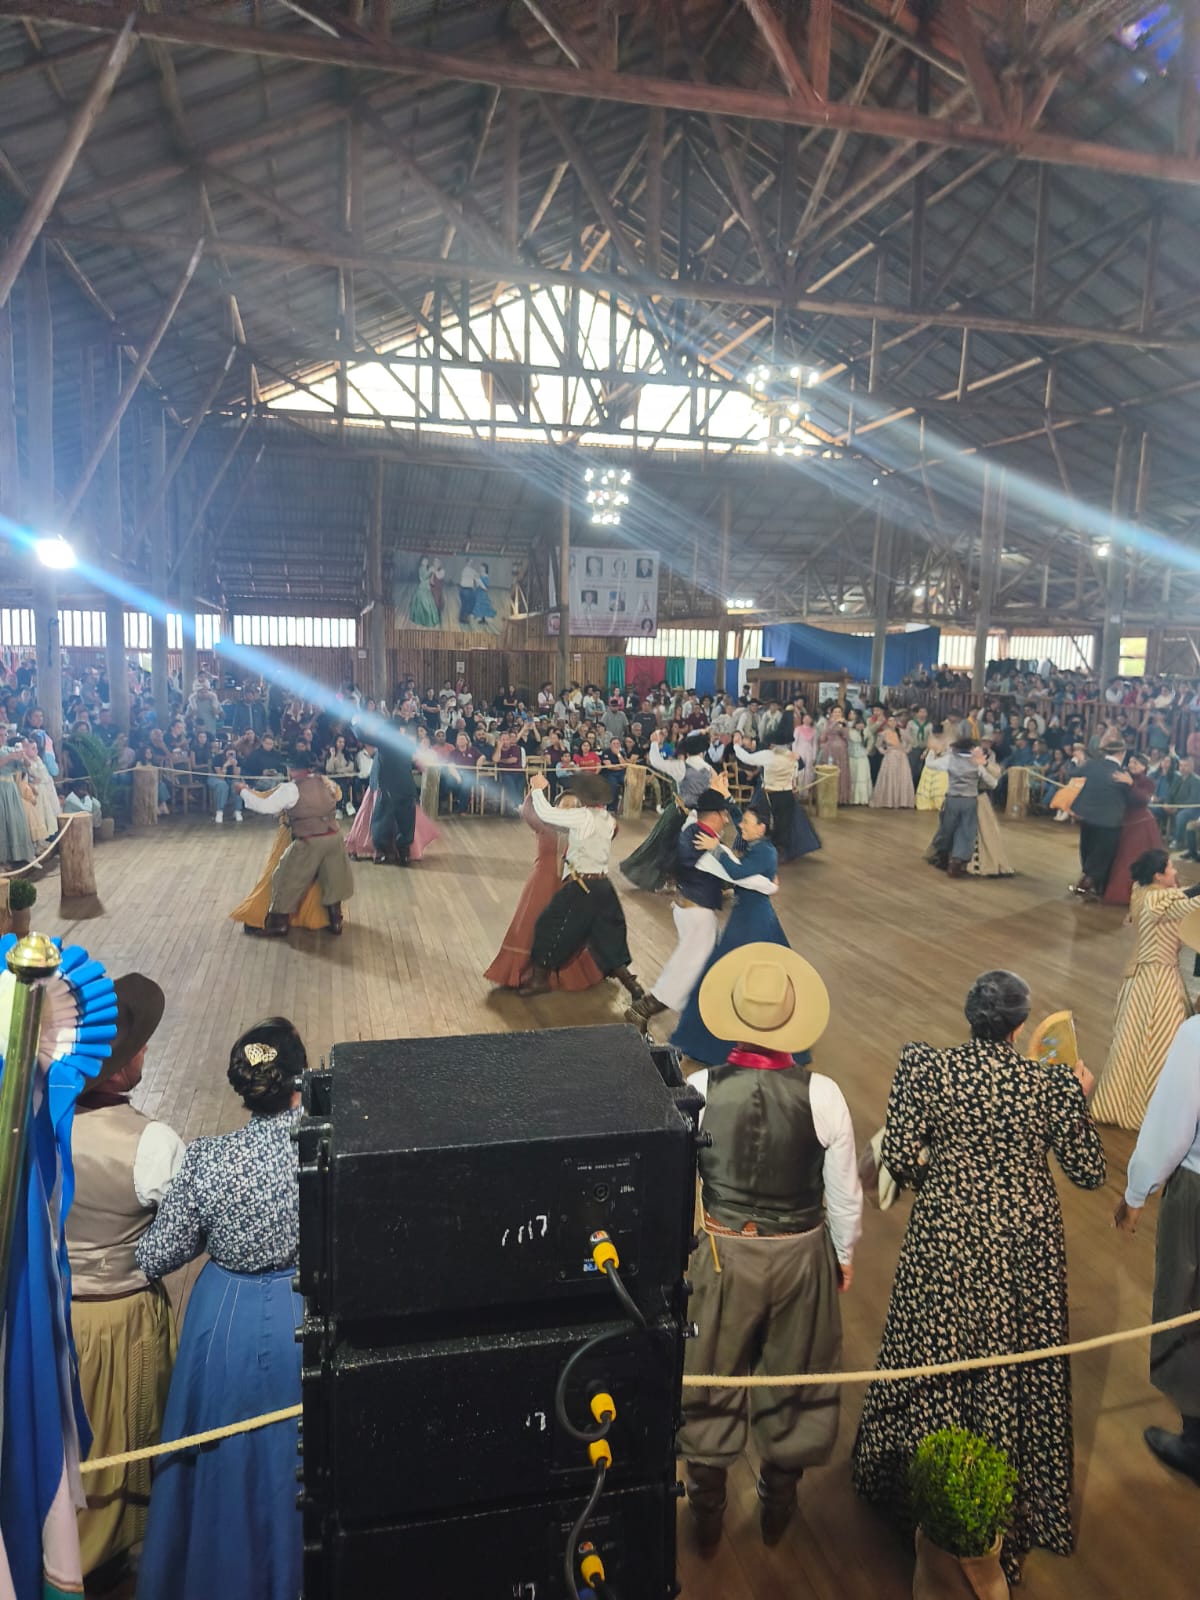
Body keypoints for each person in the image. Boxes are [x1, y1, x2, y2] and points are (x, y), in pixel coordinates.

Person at [851, 971, 1105, 1584]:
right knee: (1013, 1359)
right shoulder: (1049, 1083)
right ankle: (1000, 1507)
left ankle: (917, 1489)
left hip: (945, 1235)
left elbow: (897, 1158)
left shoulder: (926, 1068)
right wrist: (1078, 1096)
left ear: (971, 1018)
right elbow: (1090, 1172)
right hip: (1023, 1246)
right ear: (1021, 1027)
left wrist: (945, 1177)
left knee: (932, 1351)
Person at [679, 945, 860, 1550]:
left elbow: (679, 1185)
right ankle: (778, 1502)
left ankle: (705, 1508)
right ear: (791, 1019)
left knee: (709, 1376)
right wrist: (843, 1255)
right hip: (801, 1255)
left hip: (722, 1255)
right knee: (798, 1376)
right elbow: (845, 1195)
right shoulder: (824, 1095)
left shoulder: (698, 1088)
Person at [135, 1019, 306, 1600]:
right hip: (304, 1316)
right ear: (299, 1081)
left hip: (226, 1322)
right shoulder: (325, 1146)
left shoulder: (210, 1159)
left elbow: (158, 1255)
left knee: (224, 1461)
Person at [66, 975, 184, 1587]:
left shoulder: (36, 1121)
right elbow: (181, 1233)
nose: (143, 1054)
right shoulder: (152, 1144)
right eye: (137, 1048)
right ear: (116, 1071)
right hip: (121, 1320)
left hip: (50, 1312)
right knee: (119, 1445)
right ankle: (103, 1562)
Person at [1115, 1014, 1200, 1485]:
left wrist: (1135, 1194)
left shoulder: (1196, 1035)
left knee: (1184, 1307)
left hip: (1197, 1189)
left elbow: (1171, 1128)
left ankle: (1197, 1443)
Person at [671, 794, 787, 1066]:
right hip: (746, 915)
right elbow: (740, 827)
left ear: (761, 828)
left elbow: (737, 873)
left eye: (747, 823)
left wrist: (717, 848)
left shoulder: (765, 852)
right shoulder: (759, 844)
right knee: (734, 977)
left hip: (752, 921)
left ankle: (715, 1042)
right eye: (742, 821)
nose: (740, 826)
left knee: (728, 977)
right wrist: (729, 800)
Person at [1092, 849, 1200, 1130]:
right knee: (1161, 1043)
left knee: (1133, 1042)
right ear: (1158, 875)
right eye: (1171, 867)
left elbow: (1184, 896)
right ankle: (1150, 1108)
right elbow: (1186, 901)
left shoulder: (1142, 891)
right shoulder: (1157, 900)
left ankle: (1119, 1102)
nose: (1175, 871)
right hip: (1156, 982)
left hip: (1142, 978)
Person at [517, 771, 643, 1001]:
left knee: (548, 926)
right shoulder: (608, 819)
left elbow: (546, 813)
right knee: (606, 935)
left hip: (581, 886)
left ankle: (539, 980)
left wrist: (537, 789)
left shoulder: (583, 817)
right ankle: (633, 986)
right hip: (603, 886)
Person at [625, 781, 734, 1035]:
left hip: (690, 908)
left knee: (705, 967)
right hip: (697, 915)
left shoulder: (694, 829)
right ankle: (642, 1009)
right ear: (715, 815)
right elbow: (733, 868)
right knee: (686, 969)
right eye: (725, 814)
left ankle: (701, 1019)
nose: (727, 820)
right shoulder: (703, 843)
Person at [483, 791, 604, 991]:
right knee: (530, 926)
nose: (569, 810)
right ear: (555, 809)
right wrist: (536, 789)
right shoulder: (544, 825)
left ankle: (557, 975)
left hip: (569, 886)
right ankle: (525, 973)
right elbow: (528, 811)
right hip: (542, 884)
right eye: (565, 806)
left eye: (574, 807)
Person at [233, 756, 354, 936]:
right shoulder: (326, 782)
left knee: (285, 878)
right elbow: (339, 795)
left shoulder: (291, 788)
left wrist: (243, 791)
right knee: (333, 880)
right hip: (334, 837)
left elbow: (266, 807)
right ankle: (336, 922)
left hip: (310, 840)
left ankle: (279, 925)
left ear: (290, 770)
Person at [621, 729, 719, 892]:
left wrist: (654, 743)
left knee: (664, 846)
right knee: (702, 849)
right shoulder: (709, 769)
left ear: (687, 751)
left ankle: (668, 880)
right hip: (702, 816)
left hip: (680, 814)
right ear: (703, 751)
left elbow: (656, 761)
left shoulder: (681, 767)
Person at [734, 713, 821, 864]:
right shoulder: (793, 757)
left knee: (760, 822)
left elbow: (747, 758)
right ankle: (779, 853)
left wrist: (736, 746)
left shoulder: (768, 755)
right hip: (786, 795)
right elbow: (796, 773)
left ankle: (758, 851)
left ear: (773, 743)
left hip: (768, 794)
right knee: (783, 825)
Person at [1068, 736, 1134, 898]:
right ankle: (1089, 884)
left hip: (1088, 816)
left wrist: (1077, 760)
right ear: (1122, 753)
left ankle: (1088, 881)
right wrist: (1131, 783)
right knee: (1103, 855)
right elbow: (1132, 799)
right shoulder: (1122, 774)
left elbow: (1073, 772)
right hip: (1110, 820)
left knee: (1088, 848)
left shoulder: (1092, 764)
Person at [924, 736, 995, 878]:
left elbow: (930, 764)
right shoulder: (976, 763)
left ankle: (942, 856)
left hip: (952, 799)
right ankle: (957, 860)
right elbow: (993, 783)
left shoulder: (949, 759)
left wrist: (932, 750)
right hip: (969, 800)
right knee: (966, 831)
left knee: (947, 828)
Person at [1103, 754, 1163, 905]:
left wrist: (1130, 784)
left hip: (1141, 824)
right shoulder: (1121, 776)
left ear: (1144, 767)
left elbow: (1144, 799)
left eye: (1136, 763)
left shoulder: (1148, 782)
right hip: (1121, 821)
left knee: (1131, 857)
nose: (1132, 765)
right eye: (1130, 762)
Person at [370, 731, 417, 865]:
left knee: (405, 823)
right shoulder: (384, 748)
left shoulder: (405, 748)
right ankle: (383, 851)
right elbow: (377, 769)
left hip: (403, 789)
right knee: (382, 822)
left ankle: (402, 852)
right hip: (385, 789)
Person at [869, 720, 915, 809]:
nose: (892, 722)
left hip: (901, 757)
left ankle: (902, 801)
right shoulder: (884, 733)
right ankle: (888, 800)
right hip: (890, 756)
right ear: (887, 723)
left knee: (902, 776)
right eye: (890, 721)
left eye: (894, 721)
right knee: (890, 776)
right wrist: (884, 751)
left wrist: (906, 750)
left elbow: (911, 742)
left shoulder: (902, 732)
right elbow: (878, 745)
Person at [410, 555, 441, 627]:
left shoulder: (427, 568)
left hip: (427, 588)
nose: (426, 562)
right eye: (424, 561)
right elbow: (424, 577)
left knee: (429, 605)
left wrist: (432, 578)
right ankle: (426, 621)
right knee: (425, 605)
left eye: (426, 561)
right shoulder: (421, 568)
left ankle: (429, 620)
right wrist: (430, 571)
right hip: (422, 589)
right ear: (421, 562)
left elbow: (430, 579)